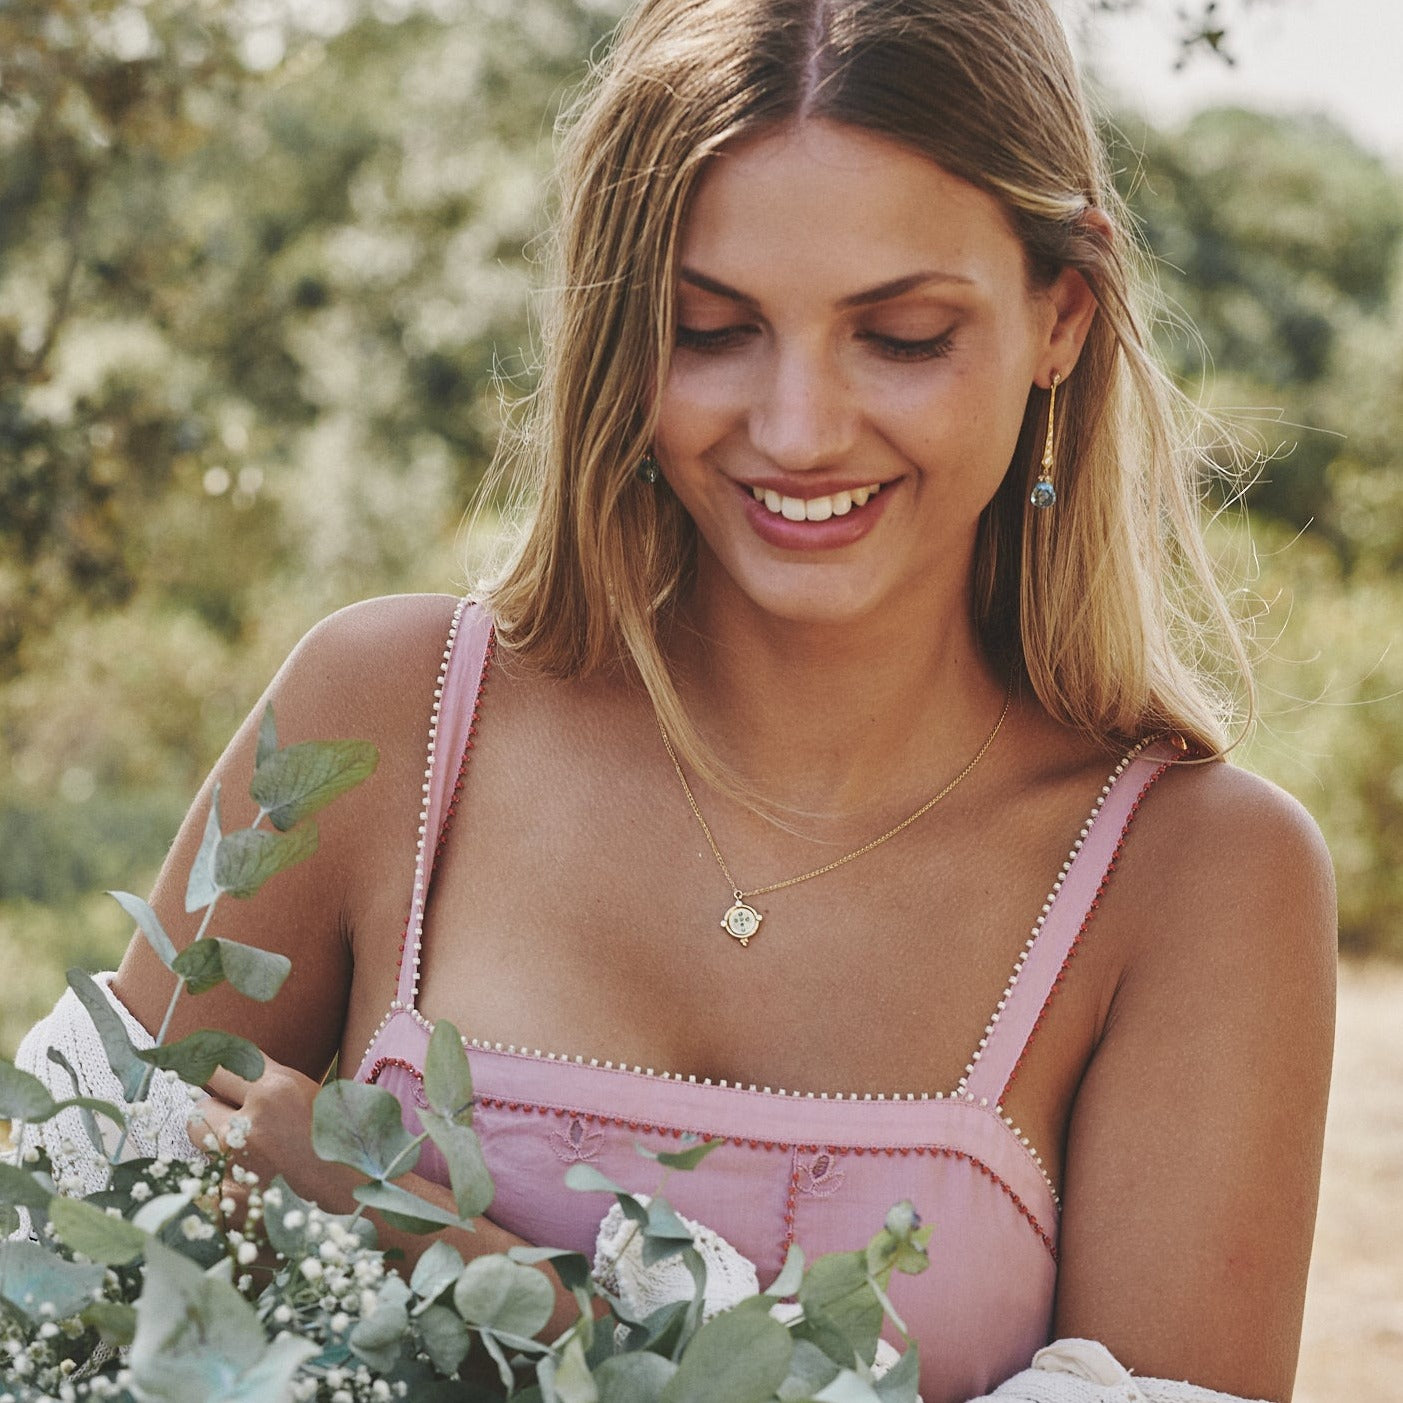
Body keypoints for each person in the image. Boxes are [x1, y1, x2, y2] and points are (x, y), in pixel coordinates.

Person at [96, 1, 1335, 1399]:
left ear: (1062, 318)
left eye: (905, 336)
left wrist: (419, 1232)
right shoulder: (381, 719)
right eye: (710, 329)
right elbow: (68, 1265)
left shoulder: (1197, 882)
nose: (799, 429)